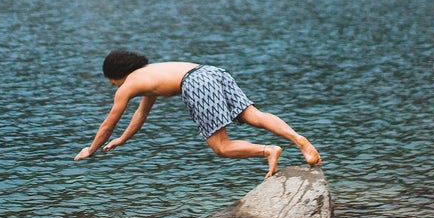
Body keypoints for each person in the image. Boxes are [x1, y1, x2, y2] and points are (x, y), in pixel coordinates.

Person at [75, 50, 319, 177]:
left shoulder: (127, 86)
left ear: (117, 75)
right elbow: (140, 115)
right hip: (211, 72)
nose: (114, 87)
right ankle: (298, 140)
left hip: (195, 84)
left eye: (112, 82)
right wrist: (122, 140)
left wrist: (91, 149)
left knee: (221, 147)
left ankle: (267, 150)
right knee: (253, 115)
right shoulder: (149, 75)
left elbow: (108, 124)